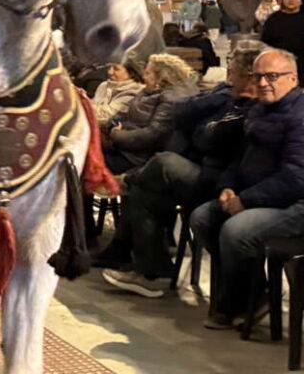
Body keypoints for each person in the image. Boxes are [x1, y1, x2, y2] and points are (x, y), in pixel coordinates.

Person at [98, 45, 260, 297]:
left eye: (234, 72)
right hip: (202, 166)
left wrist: (203, 128)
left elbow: (203, 135)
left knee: (163, 163)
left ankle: (126, 182)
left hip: (216, 178)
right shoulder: (226, 95)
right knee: (142, 194)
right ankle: (153, 273)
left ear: (251, 76)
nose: (228, 78)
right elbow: (186, 115)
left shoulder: (248, 107)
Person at [190, 48, 304, 330]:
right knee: (203, 218)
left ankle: (241, 300)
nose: (264, 83)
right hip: (260, 195)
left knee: (236, 230)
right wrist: (228, 187)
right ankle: (255, 293)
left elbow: (295, 178)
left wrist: (246, 200)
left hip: (295, 203)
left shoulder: (299, 117)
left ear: (293, 78)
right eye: (259, 76)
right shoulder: (259, 110)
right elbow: (240, 158)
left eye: (273, 76)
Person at [101, 53, 198, 175]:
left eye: (148, 73)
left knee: (87, 162)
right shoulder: (150, 90)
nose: (143, 76)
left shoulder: (171, 99)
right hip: (124, 147)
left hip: (136, 157)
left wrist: (116, 135)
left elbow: (153, 135)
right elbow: (126, 113)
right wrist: (112, 123)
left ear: (161, 77)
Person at [261, 0, 304, 81]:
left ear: (301, 1)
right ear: (282, 0)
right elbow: (265, 42)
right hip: (280, 62)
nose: (291, 0)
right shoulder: (273, 19)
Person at [91, 61, 145, 126]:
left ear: (131, 74)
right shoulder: (104, 85)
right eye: (109, 68)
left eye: (116, 69)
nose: (110, 72)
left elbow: (105, 117)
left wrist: (85, 105)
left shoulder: (134, 93)